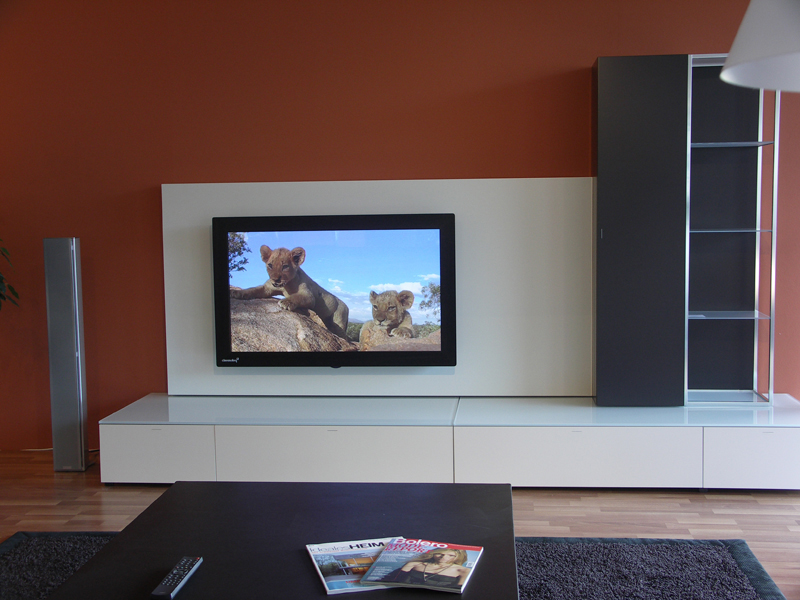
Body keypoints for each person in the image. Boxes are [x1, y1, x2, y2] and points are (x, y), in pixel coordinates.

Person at [381, 548, 471, 589]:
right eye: (440, 554)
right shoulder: (414, 564)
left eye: (451, 555)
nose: (443, 557)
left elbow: (458, 589)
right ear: (433, 554)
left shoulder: (463, 571)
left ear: (458, 557)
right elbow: (395, 579)